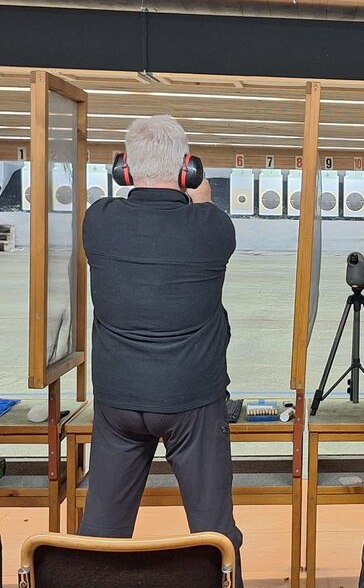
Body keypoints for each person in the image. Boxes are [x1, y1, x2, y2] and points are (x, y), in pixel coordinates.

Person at [79, 115, 243, 588]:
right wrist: (199, 197)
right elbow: (199, 214)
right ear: (188, 168)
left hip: (118, 399)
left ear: (124, 169)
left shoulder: (98, 221)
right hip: (193, 399)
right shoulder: (214, 227)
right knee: (215, 535)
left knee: (101, 534)